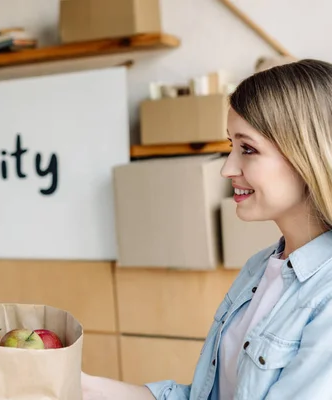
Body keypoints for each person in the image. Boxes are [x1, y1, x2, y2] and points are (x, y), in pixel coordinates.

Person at [82, 58, 332, 399]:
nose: (227, 168)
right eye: (231, 146)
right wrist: (70, 382)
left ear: (308, 154)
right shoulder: (260, 268)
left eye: (247, 149)